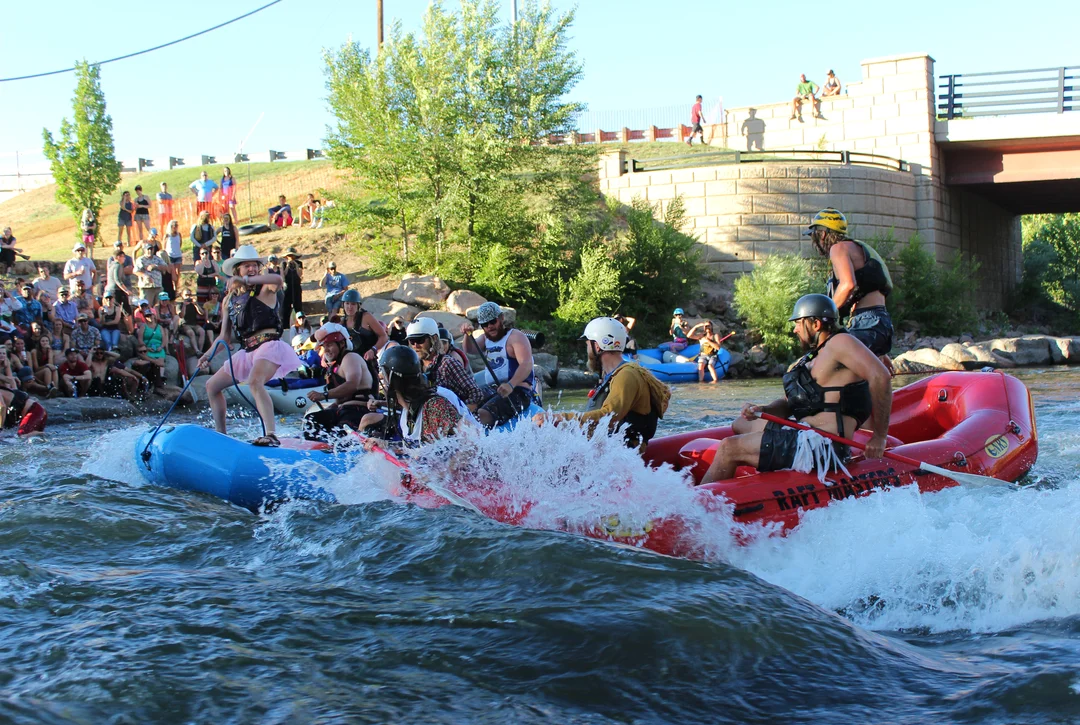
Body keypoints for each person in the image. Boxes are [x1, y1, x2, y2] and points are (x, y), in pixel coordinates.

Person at [699, 294, 892, 485]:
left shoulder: (840, 342)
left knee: (728, 448)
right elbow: (787, 404)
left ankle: (695, 508)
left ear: (815, 324)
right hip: (805, 436)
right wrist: (763, 410)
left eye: (798, 323)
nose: (794, 330)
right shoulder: (814, 356)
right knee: (741, 424)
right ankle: (752, 470)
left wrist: (880, 437)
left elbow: (880, 376)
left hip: (822, 446)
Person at [199, 244, 303, 447]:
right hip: (246, 351)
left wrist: (247, 280)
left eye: (254, 265)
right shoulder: (229, 300)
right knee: (212, 386)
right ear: (237, 269)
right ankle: (222, 435)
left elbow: (278, 279)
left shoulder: (265, 288)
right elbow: (224, 338)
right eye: (246, 266)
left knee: (255, 382)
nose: (252, 269)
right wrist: (207, 356)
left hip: (269, 346)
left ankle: (271, 434)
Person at [535, 317, 670, 455]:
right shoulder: (612, 375)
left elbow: (608, 417)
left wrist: (560, 418)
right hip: (608, 452)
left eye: (588, 344)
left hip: (622, 457)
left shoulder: (626, 375)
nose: (587, 348)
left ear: (598, 346)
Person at [805, 208, 895, 360]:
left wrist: (824, 313)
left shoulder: (838, 248)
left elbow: (848, 285)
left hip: (865, 322)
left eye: (815, 236)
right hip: (881, 322)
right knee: (862, 376)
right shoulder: (857, 247)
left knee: (829, 364)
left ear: (823, 234)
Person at [359, 345, 465, 445]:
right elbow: (416, 449)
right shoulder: (407, 411)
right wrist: (388, 445)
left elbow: (469, 437)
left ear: (392, 380)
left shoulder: (434, 406)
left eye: (384, 375)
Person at [460, 301, 535, 428]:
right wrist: (468, 335)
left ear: (501, 318)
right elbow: (470, 349)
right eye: (485, 324)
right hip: (494, 389)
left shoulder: (515, 337)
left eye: (493, 322)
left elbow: (527, 364)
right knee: (465, 404)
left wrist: (511, 385)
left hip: (517, 391)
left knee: (482, 413)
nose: (490, 326)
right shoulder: (485, 338)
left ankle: (476, 433)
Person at [302, 323, 375, 441]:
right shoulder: (336, 365)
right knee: (312, 419)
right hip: (343, 410)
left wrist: (324, 395)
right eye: (323, 346)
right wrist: (330, 409)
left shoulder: (351, 357)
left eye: (329, 345)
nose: (326, 350)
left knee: (342, 432)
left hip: (358, 411)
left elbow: (352, 384)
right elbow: (340, 399)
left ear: (341, 344)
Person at [406, 317, 485, 410]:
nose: (415, 345)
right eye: (412, 340)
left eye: (420, 340)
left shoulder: (448, 363)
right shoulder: (413, 367)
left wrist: (456, 414)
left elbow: (476, 394)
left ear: (434, 339)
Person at [339, 289, 387, 361]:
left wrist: (373, 350)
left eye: (353, 304)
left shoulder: (366, 317)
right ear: (343, 305)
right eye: (347, 303)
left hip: (368, 359)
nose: (350, 307)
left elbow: (384, 336)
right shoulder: (342, 322)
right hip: (351, 359)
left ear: (358, 305)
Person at [104, 245, 135, 316]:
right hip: (115, 291)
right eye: (123, 256)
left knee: (117, 310)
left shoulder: (111, 265)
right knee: (127, 311)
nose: (124, 258)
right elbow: (117, 280)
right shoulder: (117, 265)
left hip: (111, 290)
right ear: (118, 257)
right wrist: (126, 290)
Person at [279, 248, 304, 329]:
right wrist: (287, 265)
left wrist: (296, 265)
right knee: (286, 306)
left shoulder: (299, 263)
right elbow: (284, 274)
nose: (291, 257)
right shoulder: (283, 263)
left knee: (298, 305)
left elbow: (299, 274)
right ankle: (285, 325)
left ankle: (300, 323)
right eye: (289, 256)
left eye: (292, 256)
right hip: (288, 287)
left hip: (296, 286)